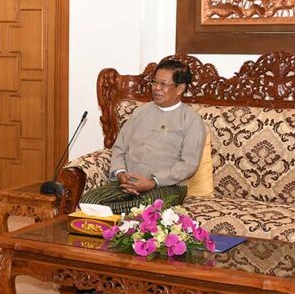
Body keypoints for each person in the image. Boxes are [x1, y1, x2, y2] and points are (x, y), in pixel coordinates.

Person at [80, 59, 207, 213]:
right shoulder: (140, 112)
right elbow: (119, 147)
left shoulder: (191, 120)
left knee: (144, 208)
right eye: (154, 82)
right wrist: (120, 173)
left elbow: (189, 164)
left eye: (163, 84)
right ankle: (108, 215)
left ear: (180, 88)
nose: (156, 88)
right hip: (129, 181)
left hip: (167, 185)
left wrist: (153, 182)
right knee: (88, 201)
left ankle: (107, 215)